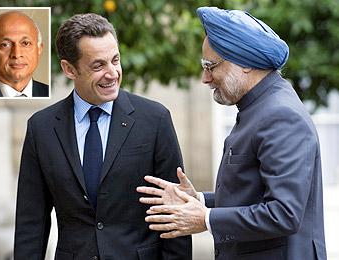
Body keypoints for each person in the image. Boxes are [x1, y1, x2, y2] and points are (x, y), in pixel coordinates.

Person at [137, 6, 327, 260]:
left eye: (210, 66)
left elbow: (284, 214)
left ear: (246, 63)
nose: (205, 78)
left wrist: (205, 219)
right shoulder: (258, 105)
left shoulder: (280, 115)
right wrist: (200, 201)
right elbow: (252, 193)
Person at [13, 13, 192, 259]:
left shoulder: (155, 119)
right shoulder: (41, 128)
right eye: (98, 65)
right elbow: (31, 222)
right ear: (69, 69)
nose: (112, 74)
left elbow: (174, 214)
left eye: (115, 60)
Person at [0, 11, 49, 97]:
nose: (17, 54)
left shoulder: (48, 93)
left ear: (39, 50)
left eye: (25, 43)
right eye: (5, 45)